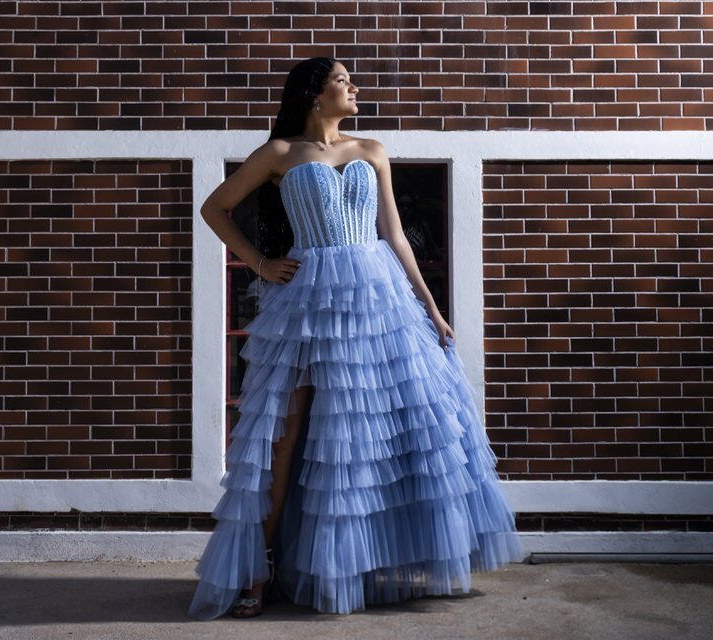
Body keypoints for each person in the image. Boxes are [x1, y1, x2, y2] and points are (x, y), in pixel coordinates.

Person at [189, 56, 524, 620]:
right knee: (284, 434)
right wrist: (260, 263)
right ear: (314, 96)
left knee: (381, 429)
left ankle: (360, 564)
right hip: (308, 298)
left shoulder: (372, 150)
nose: (354, 87)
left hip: (377, 298)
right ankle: (256, 565)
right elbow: (215, 207)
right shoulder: (280, 154)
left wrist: (432, 309)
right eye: (342, 81)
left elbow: (393, 235)